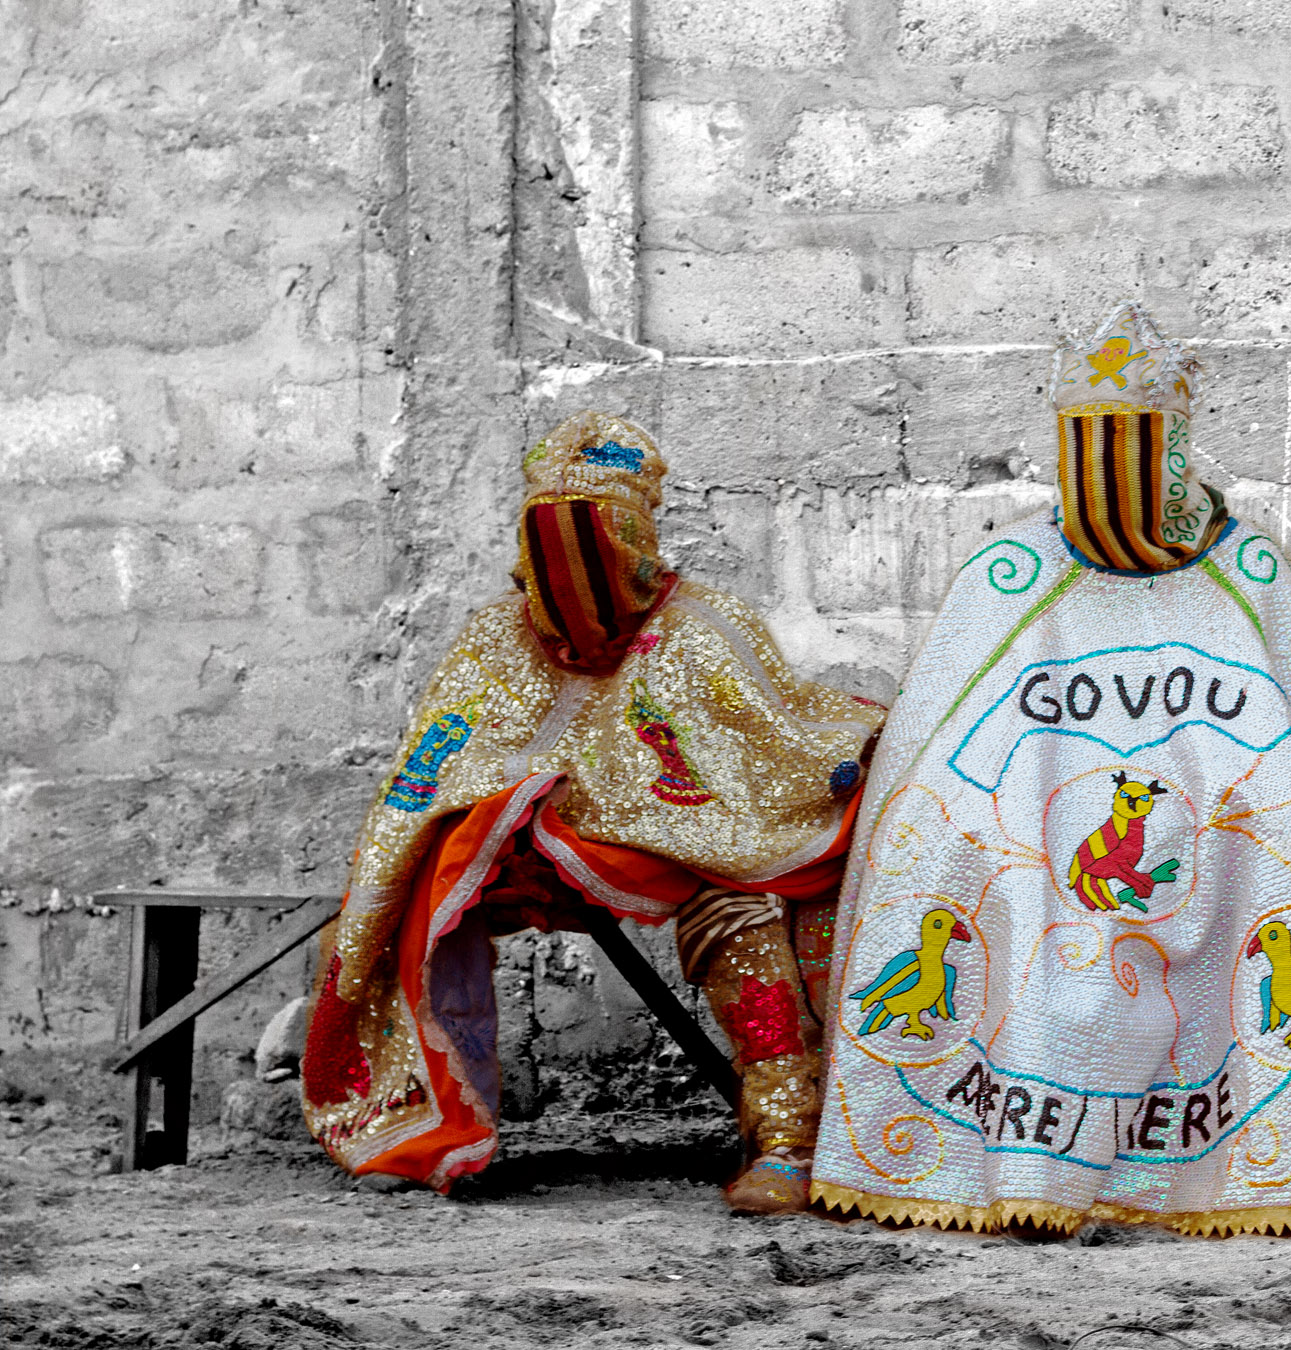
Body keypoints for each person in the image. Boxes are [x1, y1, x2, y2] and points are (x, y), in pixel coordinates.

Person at [813, 302, 1291, 1235]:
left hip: (1230, 857)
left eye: (1135, 445)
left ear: (1174, 447)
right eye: (1089, 445)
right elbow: (933, 754)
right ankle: (1026, 1168)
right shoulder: (1009, 570)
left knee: (1272, 867)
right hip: (1038, 863)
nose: (1112, 475)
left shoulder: (1248, 570)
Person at [299, 411, 886, 1212]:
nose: (576, 570)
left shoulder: (708, 627)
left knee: (741, 896)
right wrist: (513, 805)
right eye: (549, 544)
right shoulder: (493, 639)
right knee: (412, 887)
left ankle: (786, 1134)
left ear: (638, 542)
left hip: (676, 853)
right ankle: (424, 1117)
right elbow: (431, 776)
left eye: (599, 542)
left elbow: (765, 764)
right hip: (522, 855)